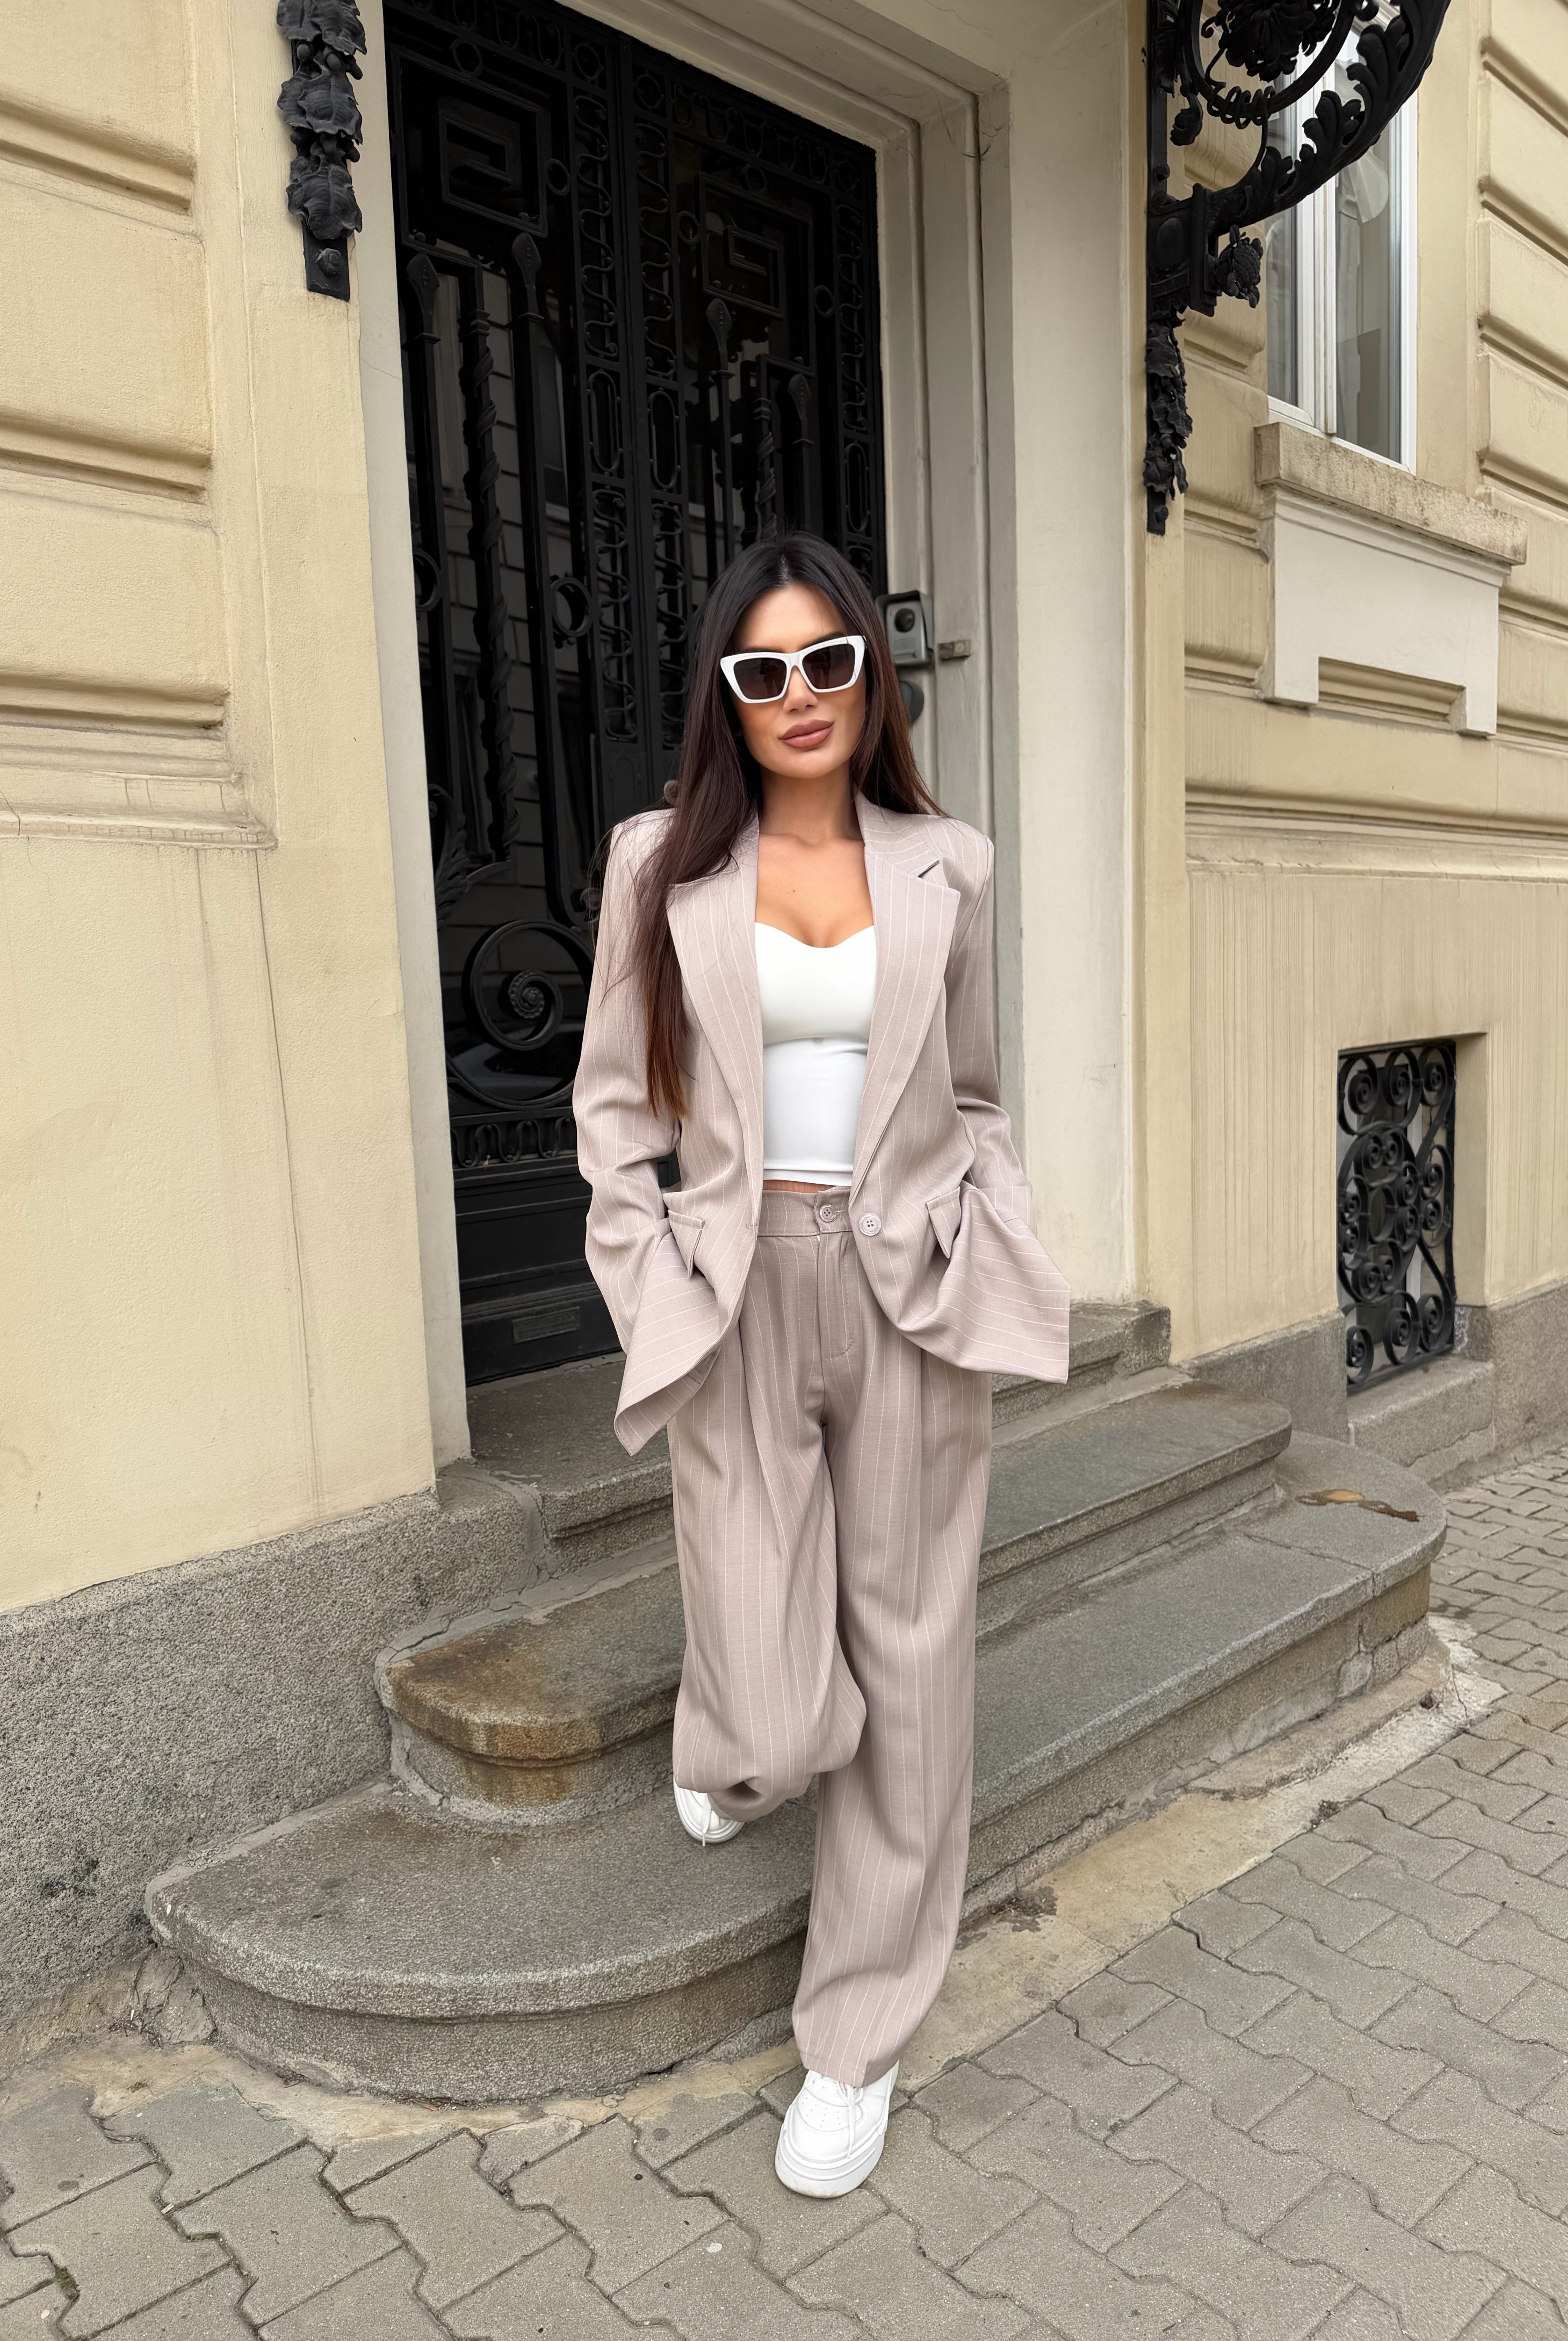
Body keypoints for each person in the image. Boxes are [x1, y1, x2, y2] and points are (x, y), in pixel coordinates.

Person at [573, 533, 1069, 2197]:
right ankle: (746, 1740)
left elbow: (976, 1096)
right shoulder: (657, 867)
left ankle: (854, 2039)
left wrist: (988, 1225)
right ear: (728, 694)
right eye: (764, 670)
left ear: (872, 673)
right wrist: (651, 1285)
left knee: (912, 1672)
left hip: (906, 1286)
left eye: (829, 662)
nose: (801, 696)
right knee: (781, 1712)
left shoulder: (948, 867)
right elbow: (612, 1113)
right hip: (736, 1286)